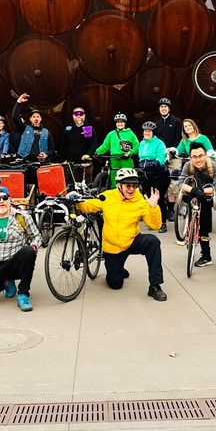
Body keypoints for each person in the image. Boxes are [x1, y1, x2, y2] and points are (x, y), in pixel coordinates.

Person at [71, 167, 166, 301]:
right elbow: (89, 205)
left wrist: (153, 207)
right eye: (128, 185)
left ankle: (155, 286)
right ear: (119, 185)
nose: (131, 189)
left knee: (153, 241)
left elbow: (155, 225)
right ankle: (119, 270)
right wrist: (75, 201)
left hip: (131, 241)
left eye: (134, 186)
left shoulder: (140, 201)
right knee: (115, 283)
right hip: (112, 247)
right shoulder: (108, 196)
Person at [181, 142, 216, 272]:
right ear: (190, 158)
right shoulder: (187, 166)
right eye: (194, 157)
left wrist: (198, 190)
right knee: (204, 228)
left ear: (206, 156)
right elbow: (180, 183)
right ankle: (206, 255)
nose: (198, 159)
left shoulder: (215, 166)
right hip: (202, 197)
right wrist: (194, 191)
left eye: (201, 156)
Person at [138, 121, 171, 231]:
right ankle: (153, 221)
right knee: (149, 198)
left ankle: (163, 223)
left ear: (153, 132)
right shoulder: (142, 143)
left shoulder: (159, 143)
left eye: (149, 131)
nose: (147, 133)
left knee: (159, 198)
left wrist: (152, 164)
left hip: (160, 175)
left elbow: (161, 159)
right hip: (147, 175)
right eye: (145, 131)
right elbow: (141, 158)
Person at [96, 113, 139, 188]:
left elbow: (137, 146)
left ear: (125, 123)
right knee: (114, 181)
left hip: (126, 160)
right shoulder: (111, 134)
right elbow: (105, 146)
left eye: (122, 122)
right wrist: (96, 152)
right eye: (118, 122)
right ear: (116, 123)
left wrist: (130, 152)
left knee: (127, 180)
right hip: (114, 160)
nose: (120, 124)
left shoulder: (130, 134)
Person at [12, 93, 54, 163]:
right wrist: (18, 102)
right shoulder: (25, 128)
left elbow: (52, 149)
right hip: (25, 163)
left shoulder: (47, 132)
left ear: (41, 119)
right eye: (34, 117)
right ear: (30, 119)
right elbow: (15, 117)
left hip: (41, 163)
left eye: (38, 116)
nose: (36, 118)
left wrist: (46, 155)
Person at [61, 105, 95, 179]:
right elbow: (64, 146)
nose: (79, 116)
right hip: (71, 163)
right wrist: (64, 159)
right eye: (76, 114)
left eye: (81, 114)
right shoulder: (68, 130)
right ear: (73, 116)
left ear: (84, 116)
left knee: (86, 185)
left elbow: (93, 145)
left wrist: (88, 155)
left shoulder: (88, 129)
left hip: (85, 163)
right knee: (72, 186)